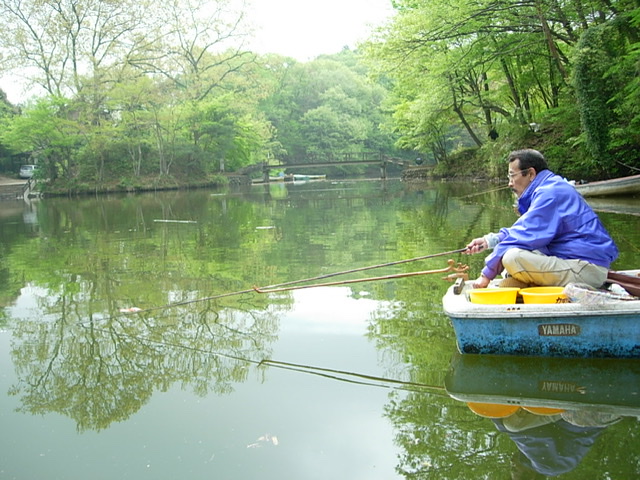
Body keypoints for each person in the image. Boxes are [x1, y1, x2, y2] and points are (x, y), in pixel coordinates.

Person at [465, 149, 618, 289]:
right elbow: (526, 230)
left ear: (530, 174)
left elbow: (524, 235)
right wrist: (490, 241)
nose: (509, 183)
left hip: (585, 268)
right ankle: (526, 283)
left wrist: (486, 275)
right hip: (574, 262)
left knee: (512, 258)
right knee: (511, 262)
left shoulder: (550, 193)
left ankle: (528, 284)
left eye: (512, 175)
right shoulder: (550, 187)